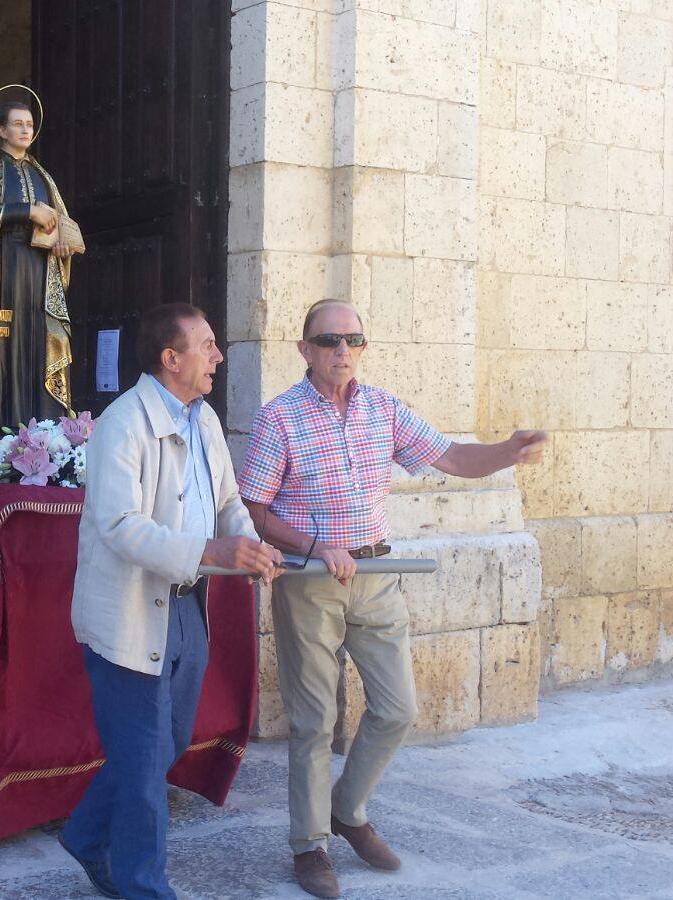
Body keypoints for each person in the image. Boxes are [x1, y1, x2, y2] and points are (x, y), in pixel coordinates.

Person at [239, 299, 548, 898]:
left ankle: (346, 811)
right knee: (312, 722)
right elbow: (257, 507)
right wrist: (316, 544)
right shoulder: (279, 418)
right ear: (304, 350)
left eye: (354, 340)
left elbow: (453, 457)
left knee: (398, 707)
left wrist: (507, 451)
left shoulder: (383, 409)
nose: (342, 352)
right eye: (329, 342)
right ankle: (309, 847)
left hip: (376, 573)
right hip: (308, 583)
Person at [61, 303, 285, 899]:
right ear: (171, 358)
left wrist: (252, 546)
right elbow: (118, 525)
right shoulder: (121, 422)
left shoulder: (204, 418)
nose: (217, 355)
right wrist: (213, 548)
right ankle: (145, 887)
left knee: (169, 743)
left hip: (187, 610)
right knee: (141, 774)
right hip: (130, 614)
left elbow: (230, 500)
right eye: (207, 344)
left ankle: (84, 834)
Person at [0, 98, 77, 433]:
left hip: (39, 270)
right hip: (3, 272)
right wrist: (27, 211)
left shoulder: (42, 176)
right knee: (5, 340)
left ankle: (44, 429)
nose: (26, 130)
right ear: (1, 130)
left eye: (29, 125)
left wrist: (63, 243)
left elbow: (58, 224)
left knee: (38, 336)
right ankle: (4, 423)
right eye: (18, 124)